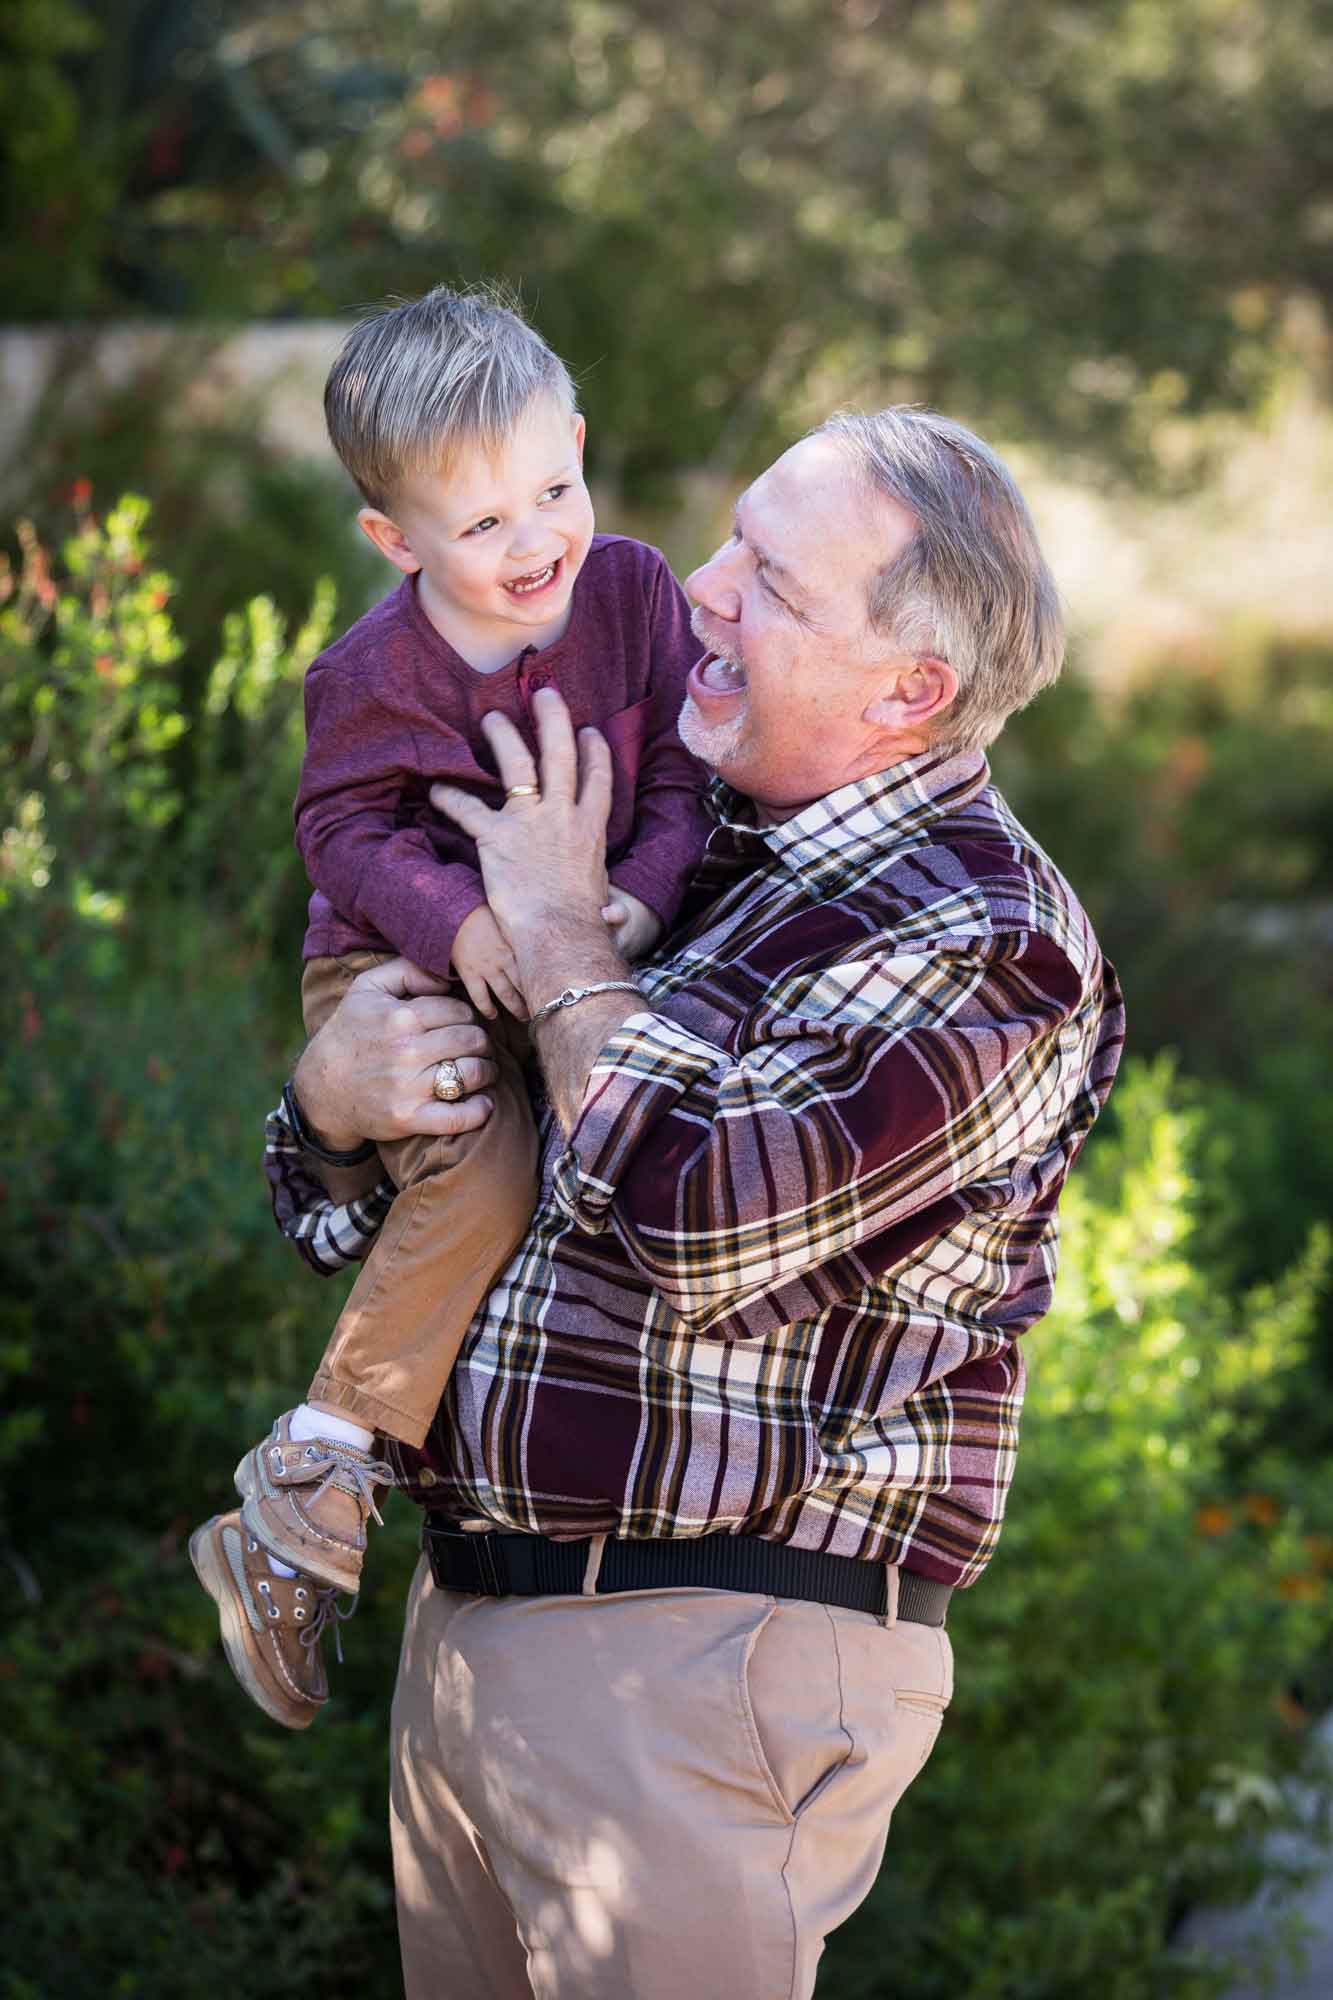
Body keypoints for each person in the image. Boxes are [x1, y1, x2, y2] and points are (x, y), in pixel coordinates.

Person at [257, 408, 1125, 1997]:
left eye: (773, 586)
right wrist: (329, 1111)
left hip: (700, 1654)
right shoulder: (696, 836)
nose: (697, 588)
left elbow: (700, 1216)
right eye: (729, 540)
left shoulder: (988, 935)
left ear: (909, 691)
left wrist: (565, 943)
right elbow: (409, 1197)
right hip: (476, 1635)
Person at [189, 286, 708, 1709]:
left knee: (591, 1160)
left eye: (556, 487)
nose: (536, 538)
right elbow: (341, 838)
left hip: (592, 935)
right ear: (393, 537)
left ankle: (349, 1488)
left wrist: (643, 895)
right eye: (482, 524)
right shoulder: (366, 675)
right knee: (481, 1177)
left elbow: (677, 779)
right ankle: (312, 1483)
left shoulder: (632, 592)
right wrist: (468, 921)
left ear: (583, 444)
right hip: (397, 956)